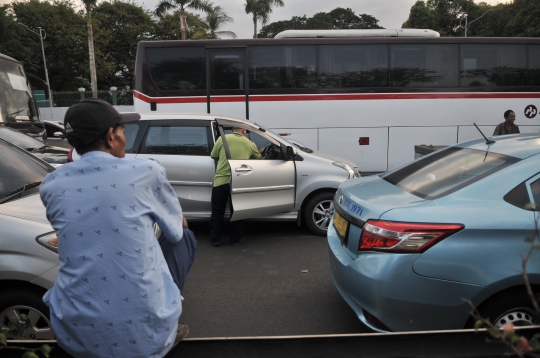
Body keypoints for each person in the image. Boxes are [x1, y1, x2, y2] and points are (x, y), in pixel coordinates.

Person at [39, 98, 196, 358]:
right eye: (123, 130)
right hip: (148, 339)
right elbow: (177, 232)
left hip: (74, 334)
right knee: (185, 238)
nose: (125, 137)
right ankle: (166, 313)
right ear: (111, 136)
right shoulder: (147, 170)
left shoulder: (51, 183)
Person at [210, 127, 261, 246]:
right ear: (244, 131)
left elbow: (213, 156)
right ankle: (235, 239)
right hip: (238, 182)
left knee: (217, 212)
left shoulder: (221, 139)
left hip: (221, 181)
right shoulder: (249, 143)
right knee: (236, 212)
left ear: (233, 131)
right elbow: (260, 160)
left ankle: (215, 239)